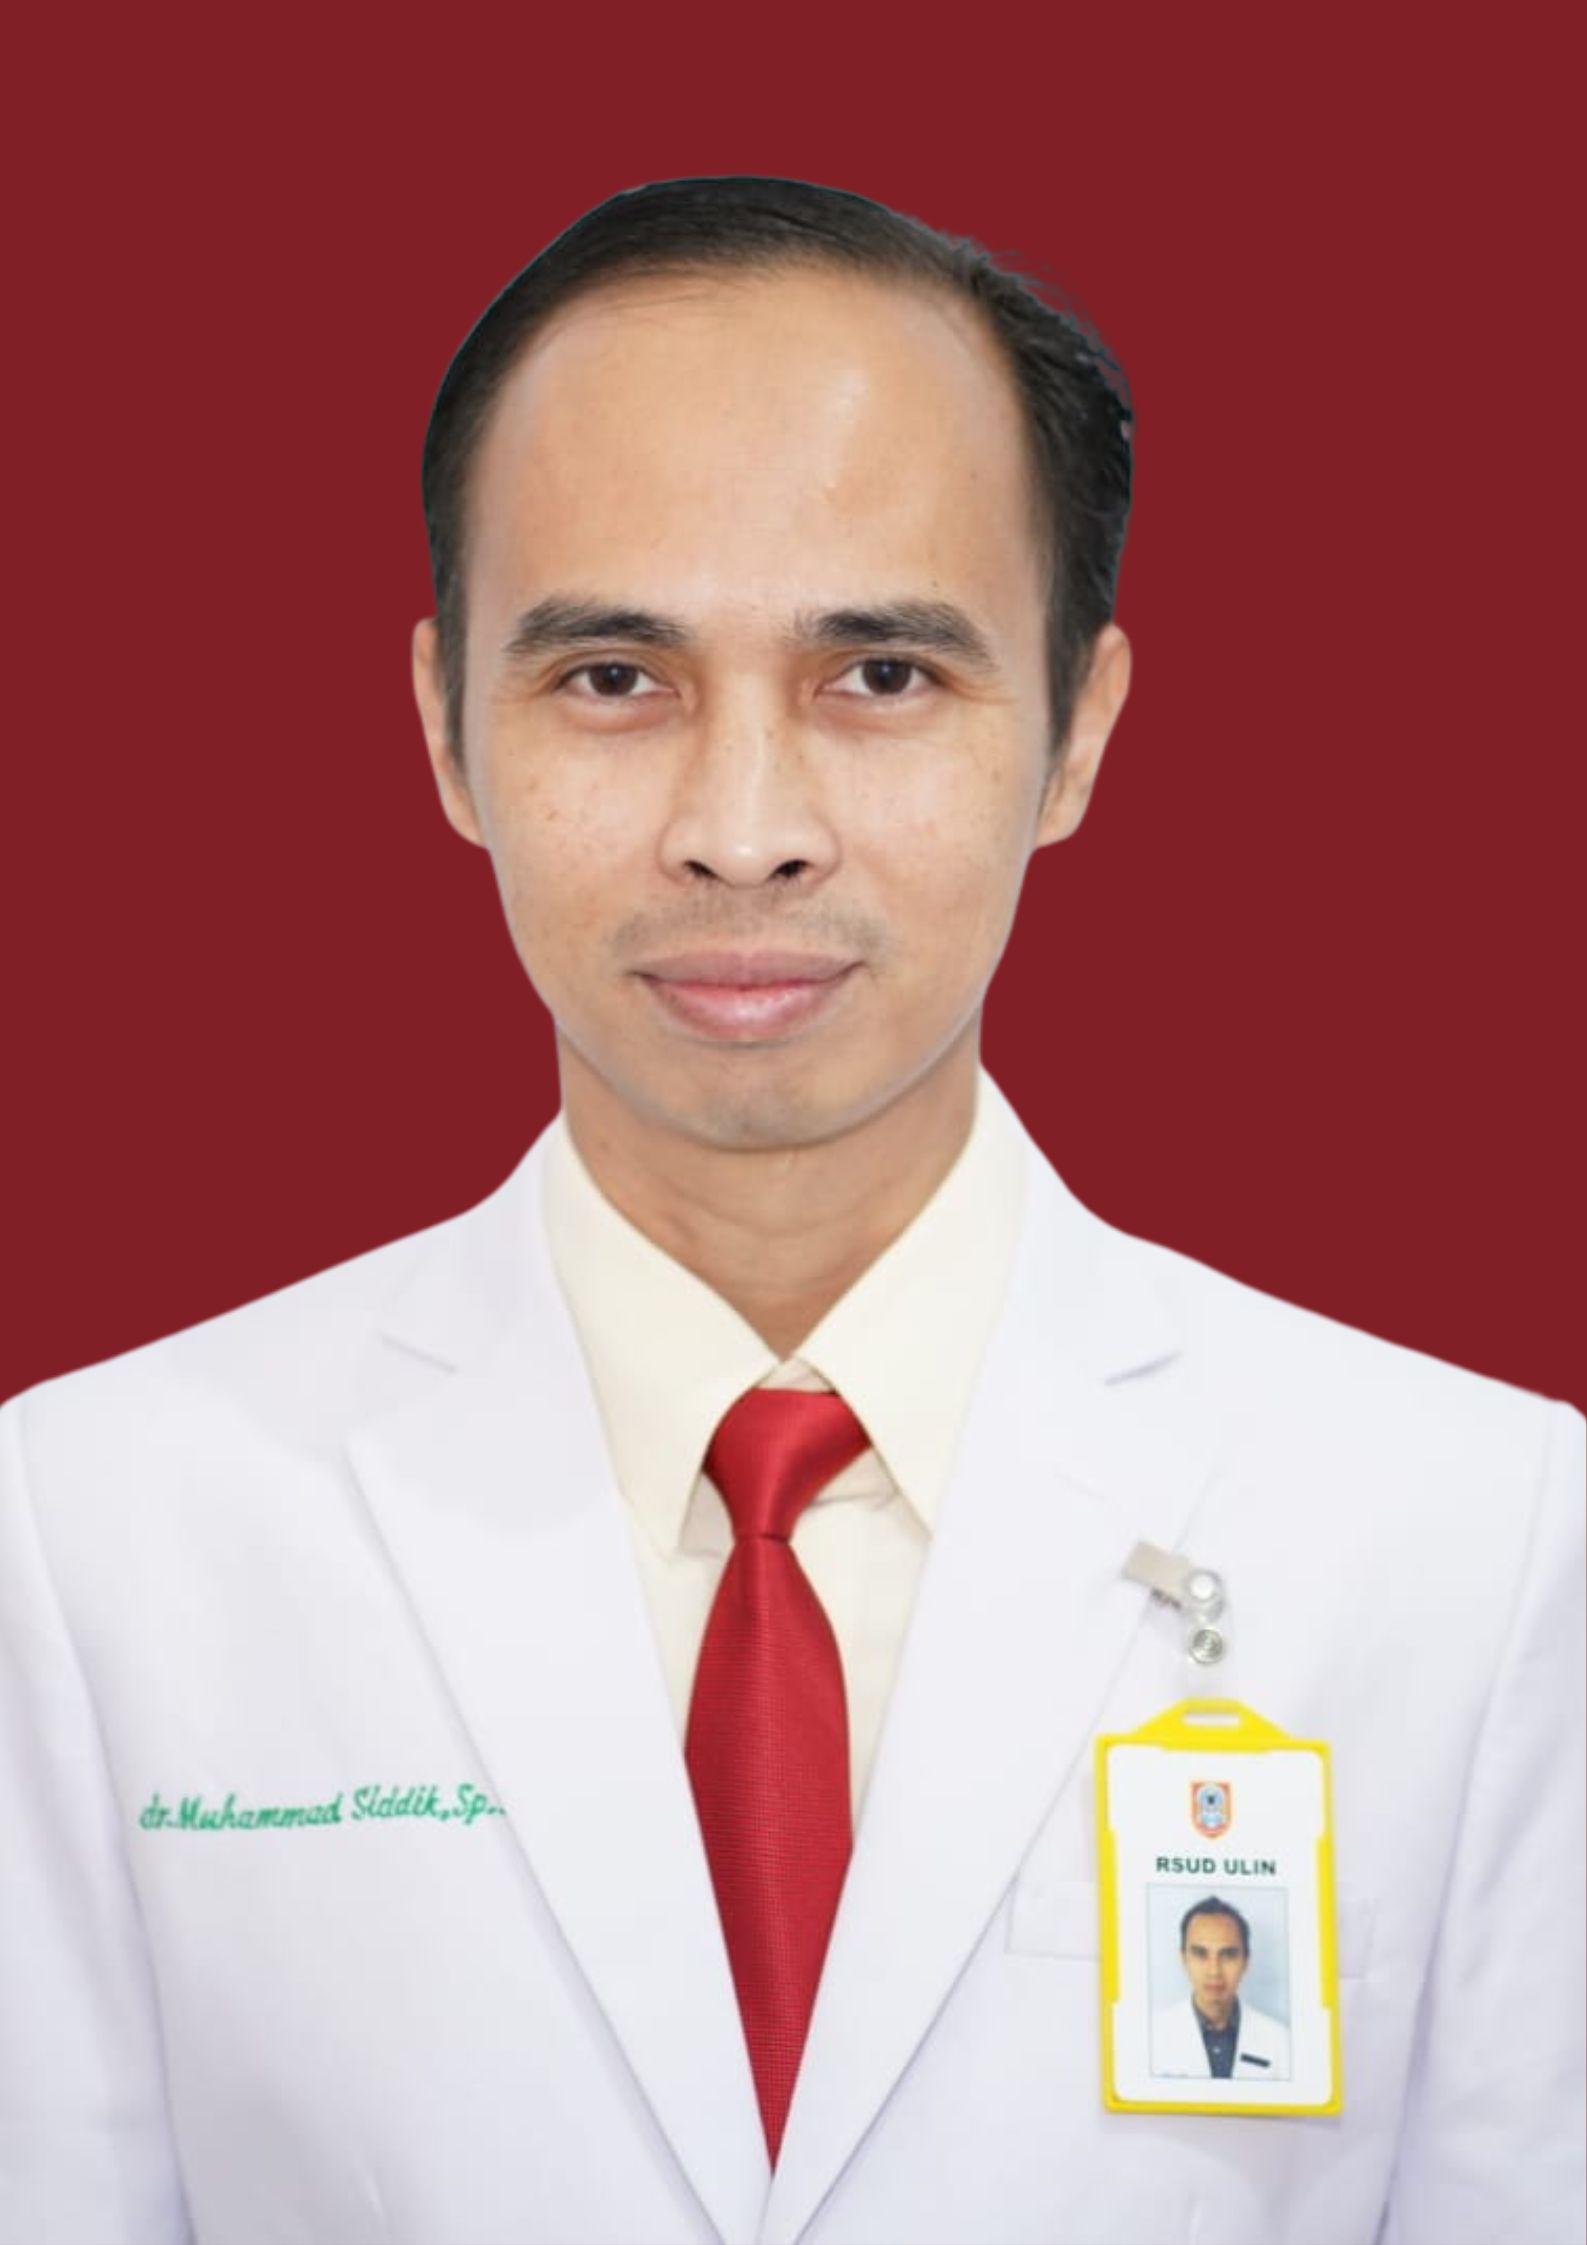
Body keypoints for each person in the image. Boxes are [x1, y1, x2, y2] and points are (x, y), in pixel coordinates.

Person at [0, 175, 1580, 2245]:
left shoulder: (1480, 1539)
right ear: (446, 728)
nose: (741, 833)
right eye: (610, 678)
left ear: (1076, 732)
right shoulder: (89, 1532)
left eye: (883, 675)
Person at [1150, 1898, 1291, 2082]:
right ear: (1183, 1958)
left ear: (1246, 1961)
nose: (1214, 1971)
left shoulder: (1280, 2042)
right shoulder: (1151, 2036)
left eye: (1228, 1955)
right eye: (1200, 1954)